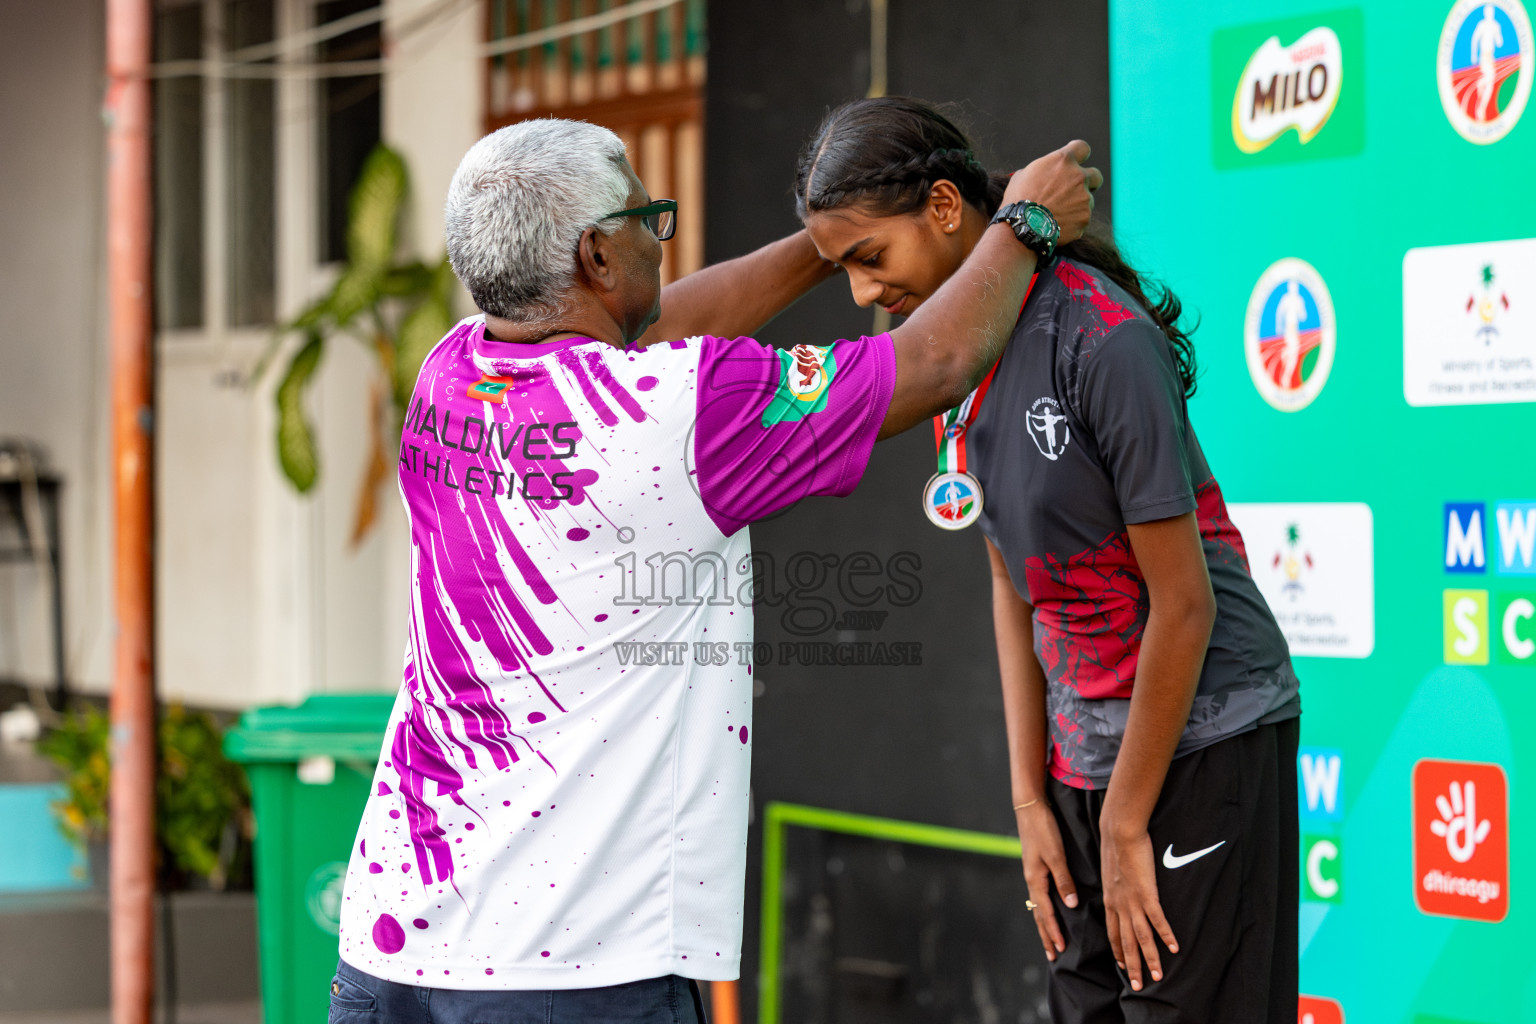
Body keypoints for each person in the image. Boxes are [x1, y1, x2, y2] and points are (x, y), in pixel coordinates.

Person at [327, 117, 1100, 1024]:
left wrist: (829, 239)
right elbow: (934, 361)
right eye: (646, 220)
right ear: (597, 256)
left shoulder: (449, 371)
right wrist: (1026, 225)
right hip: (572, 970)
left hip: (395, 945)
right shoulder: (678, 413)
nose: (662, 238)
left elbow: (657, 331)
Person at [794, 96, 1301, 1023]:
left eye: (869, 258)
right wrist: (1032, 798)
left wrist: (1124, 818)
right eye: (842, 272)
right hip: (1083, 767)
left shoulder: (1107, 342)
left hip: (1201, 743)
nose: (863, 294)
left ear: (946, 209)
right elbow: (1008, 579)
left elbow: (1184, 608)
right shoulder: (952, 355)